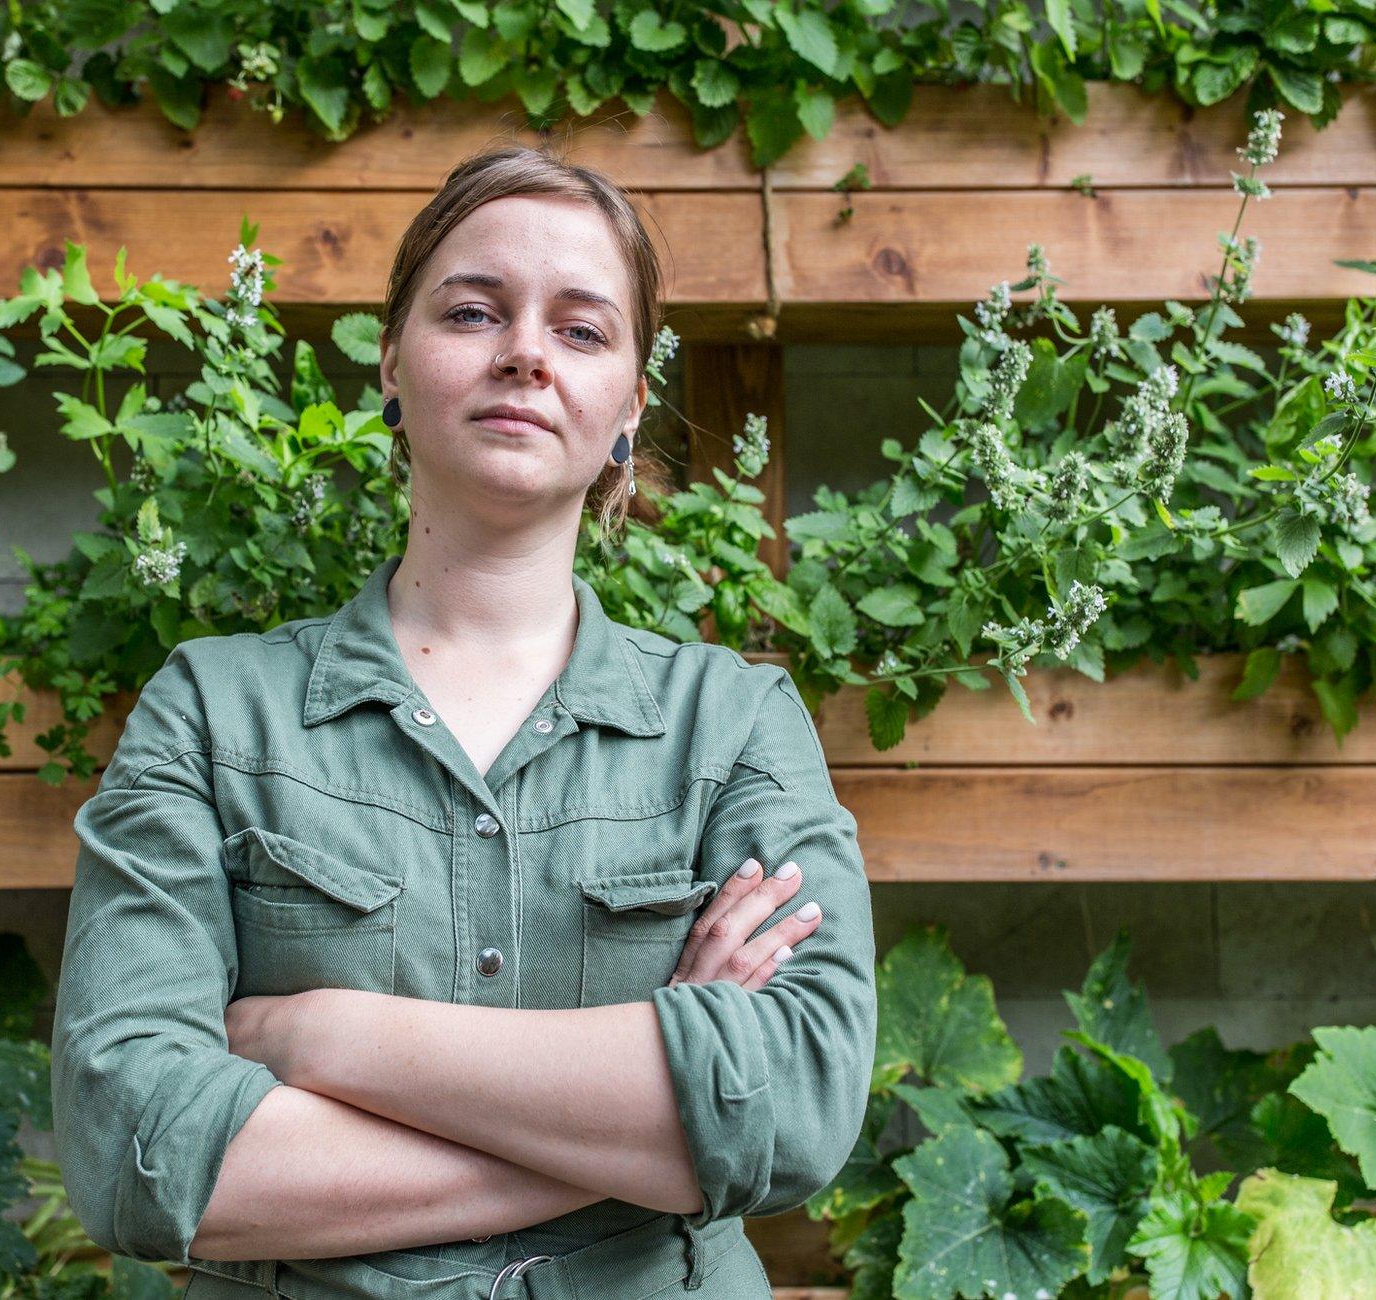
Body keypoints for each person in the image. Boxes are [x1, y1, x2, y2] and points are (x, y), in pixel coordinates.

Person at [51, 144, 877, 1300]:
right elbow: (137, 1155)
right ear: (391, 361)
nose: (525, 354)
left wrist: (325, 1037)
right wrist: (657, 1132)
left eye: (581, 330)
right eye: (474, 310)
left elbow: (793, 1112)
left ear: (629, 405)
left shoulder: (734, 725)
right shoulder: (210, 712)